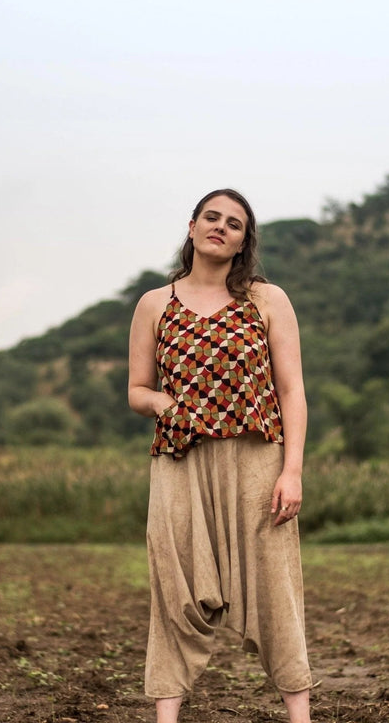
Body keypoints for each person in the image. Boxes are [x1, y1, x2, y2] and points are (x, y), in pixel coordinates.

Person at [128, 189, 313, 723]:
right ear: (191, 227)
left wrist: (292, 470)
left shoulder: (268, 300)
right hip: (180, 464)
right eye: (212, 217)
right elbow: (137, 389)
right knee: (175, 590)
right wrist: (167, 402)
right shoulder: (154, 304)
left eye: (234, 224)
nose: (221, 227)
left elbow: (292, 390)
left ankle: (301, 717)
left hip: (257, 461)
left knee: (275, 589)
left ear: (242, 243)